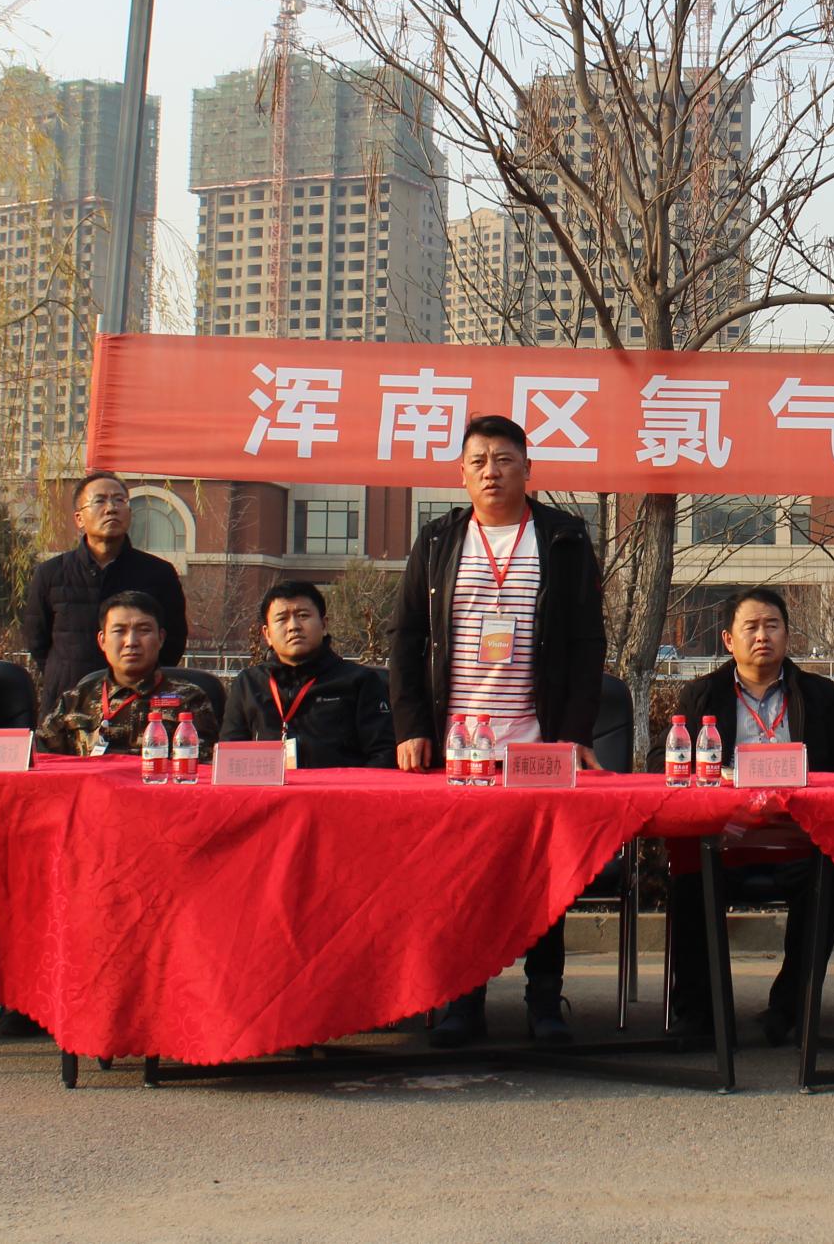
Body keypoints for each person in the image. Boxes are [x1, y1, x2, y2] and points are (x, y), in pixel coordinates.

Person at [390, 413, 608, 1048]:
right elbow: (405, 636)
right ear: (462, 473)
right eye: (479, 461)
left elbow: (588, 643)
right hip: (459, 746)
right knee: (462, 876)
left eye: (505, 460)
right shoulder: (437, 541)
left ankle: (545, 1000)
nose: (492, 472)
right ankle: (464, 1000)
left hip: (537, 741)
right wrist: (411, 725)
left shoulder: (564, 537)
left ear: (527, 470)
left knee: (543, 876)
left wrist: (574, 733)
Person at [668, 588, 834, 1049]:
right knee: (689, 876)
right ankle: (700, 1012)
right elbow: (663, 763)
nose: (762, 636)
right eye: (751, 627)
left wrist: (828, 780)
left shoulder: (818, 695)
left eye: (772, 626)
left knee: (824, 877)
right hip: (727, 835)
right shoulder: (702, 694)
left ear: (787, 634)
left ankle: (789, 1010)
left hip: (796, 836)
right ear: (729, 640)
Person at [23, 471, 188, 713]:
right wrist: (66, 672)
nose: (111, 508)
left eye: (119, 500)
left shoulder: (158, 573)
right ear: (79, 518)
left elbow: (173, 640)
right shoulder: (51, 574)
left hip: (138, 704)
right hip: (68, 703)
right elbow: (37, 640)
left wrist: (139, 676)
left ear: (129, 513)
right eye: (100, 500)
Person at [217, 580, 397, 769]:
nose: (293, 626)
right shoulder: (248, 684)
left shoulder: (359, 681)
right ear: (267, 634)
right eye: (282, 619)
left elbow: (383, 754)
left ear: (324, 625)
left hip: (340, 786)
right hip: (268, 787)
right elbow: (229, 757)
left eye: (303, 615)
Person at [37, 590, 220, 757]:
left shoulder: (188, 699)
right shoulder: (74, 701)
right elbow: (42, 763)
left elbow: (203, 768)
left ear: (161, 638)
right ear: (102, 640)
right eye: (119, 631)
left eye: (144, 630)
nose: (131, 642)